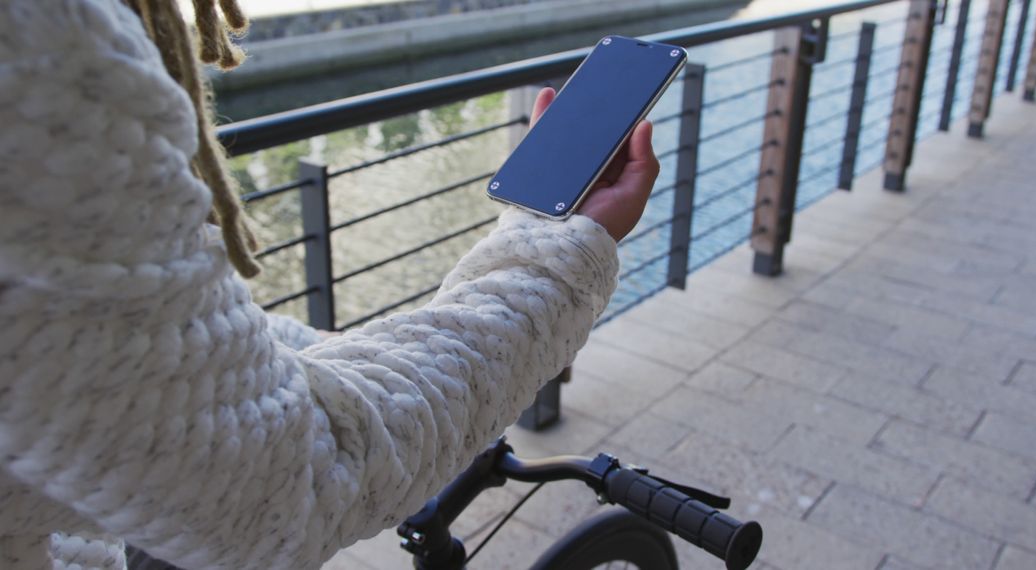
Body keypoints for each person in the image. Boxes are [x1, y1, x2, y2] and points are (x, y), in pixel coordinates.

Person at [0, 1, 661, 569]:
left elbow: (148, 354)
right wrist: (559, 254)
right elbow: (287, 482)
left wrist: (281, 371)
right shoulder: (37, 45)